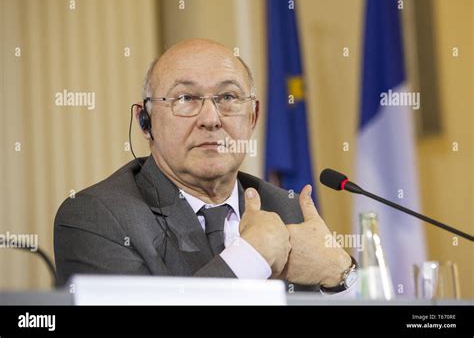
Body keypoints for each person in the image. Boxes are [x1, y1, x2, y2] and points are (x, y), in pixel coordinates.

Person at [54, 38, 356, 292]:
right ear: (145, 122)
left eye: (228, 97)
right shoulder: (95, 217)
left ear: (252, 117)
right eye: (186, 98)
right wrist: (251, 256)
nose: (211, 119)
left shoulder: (288, 211)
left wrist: (341, 276)